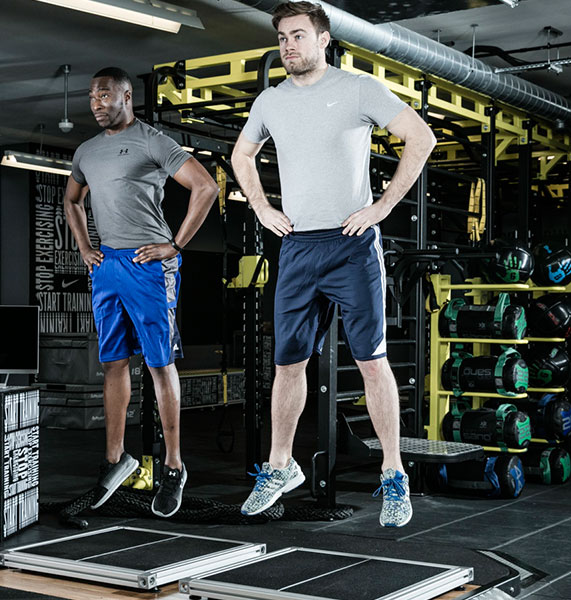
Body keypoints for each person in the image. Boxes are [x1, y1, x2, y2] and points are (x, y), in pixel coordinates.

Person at [231, 2, 437, 527]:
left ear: (324, 39)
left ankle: (394, 475)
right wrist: (260, 206)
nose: (288, 46)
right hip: (298, 246)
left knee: (372, 361)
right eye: (282, 37)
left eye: (298, 35)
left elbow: (421, 138)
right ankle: (281, 466)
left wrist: (382, 207)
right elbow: (241, 156)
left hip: (352, 244)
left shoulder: (358, 88)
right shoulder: (269, 101)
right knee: (287, 364)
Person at [63, 67, 218, 518]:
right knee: (112, 363)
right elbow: (71, 200)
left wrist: (175, 245)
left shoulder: (153, 140)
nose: (96, 102)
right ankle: (115, 460)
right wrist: (84, 246)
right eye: (92, 96)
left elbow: (205, 187)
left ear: (126, 97)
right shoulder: (87, 151)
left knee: (159, 364)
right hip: (107, 265)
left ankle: (173, 465)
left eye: (105, 95)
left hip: (149, 265)